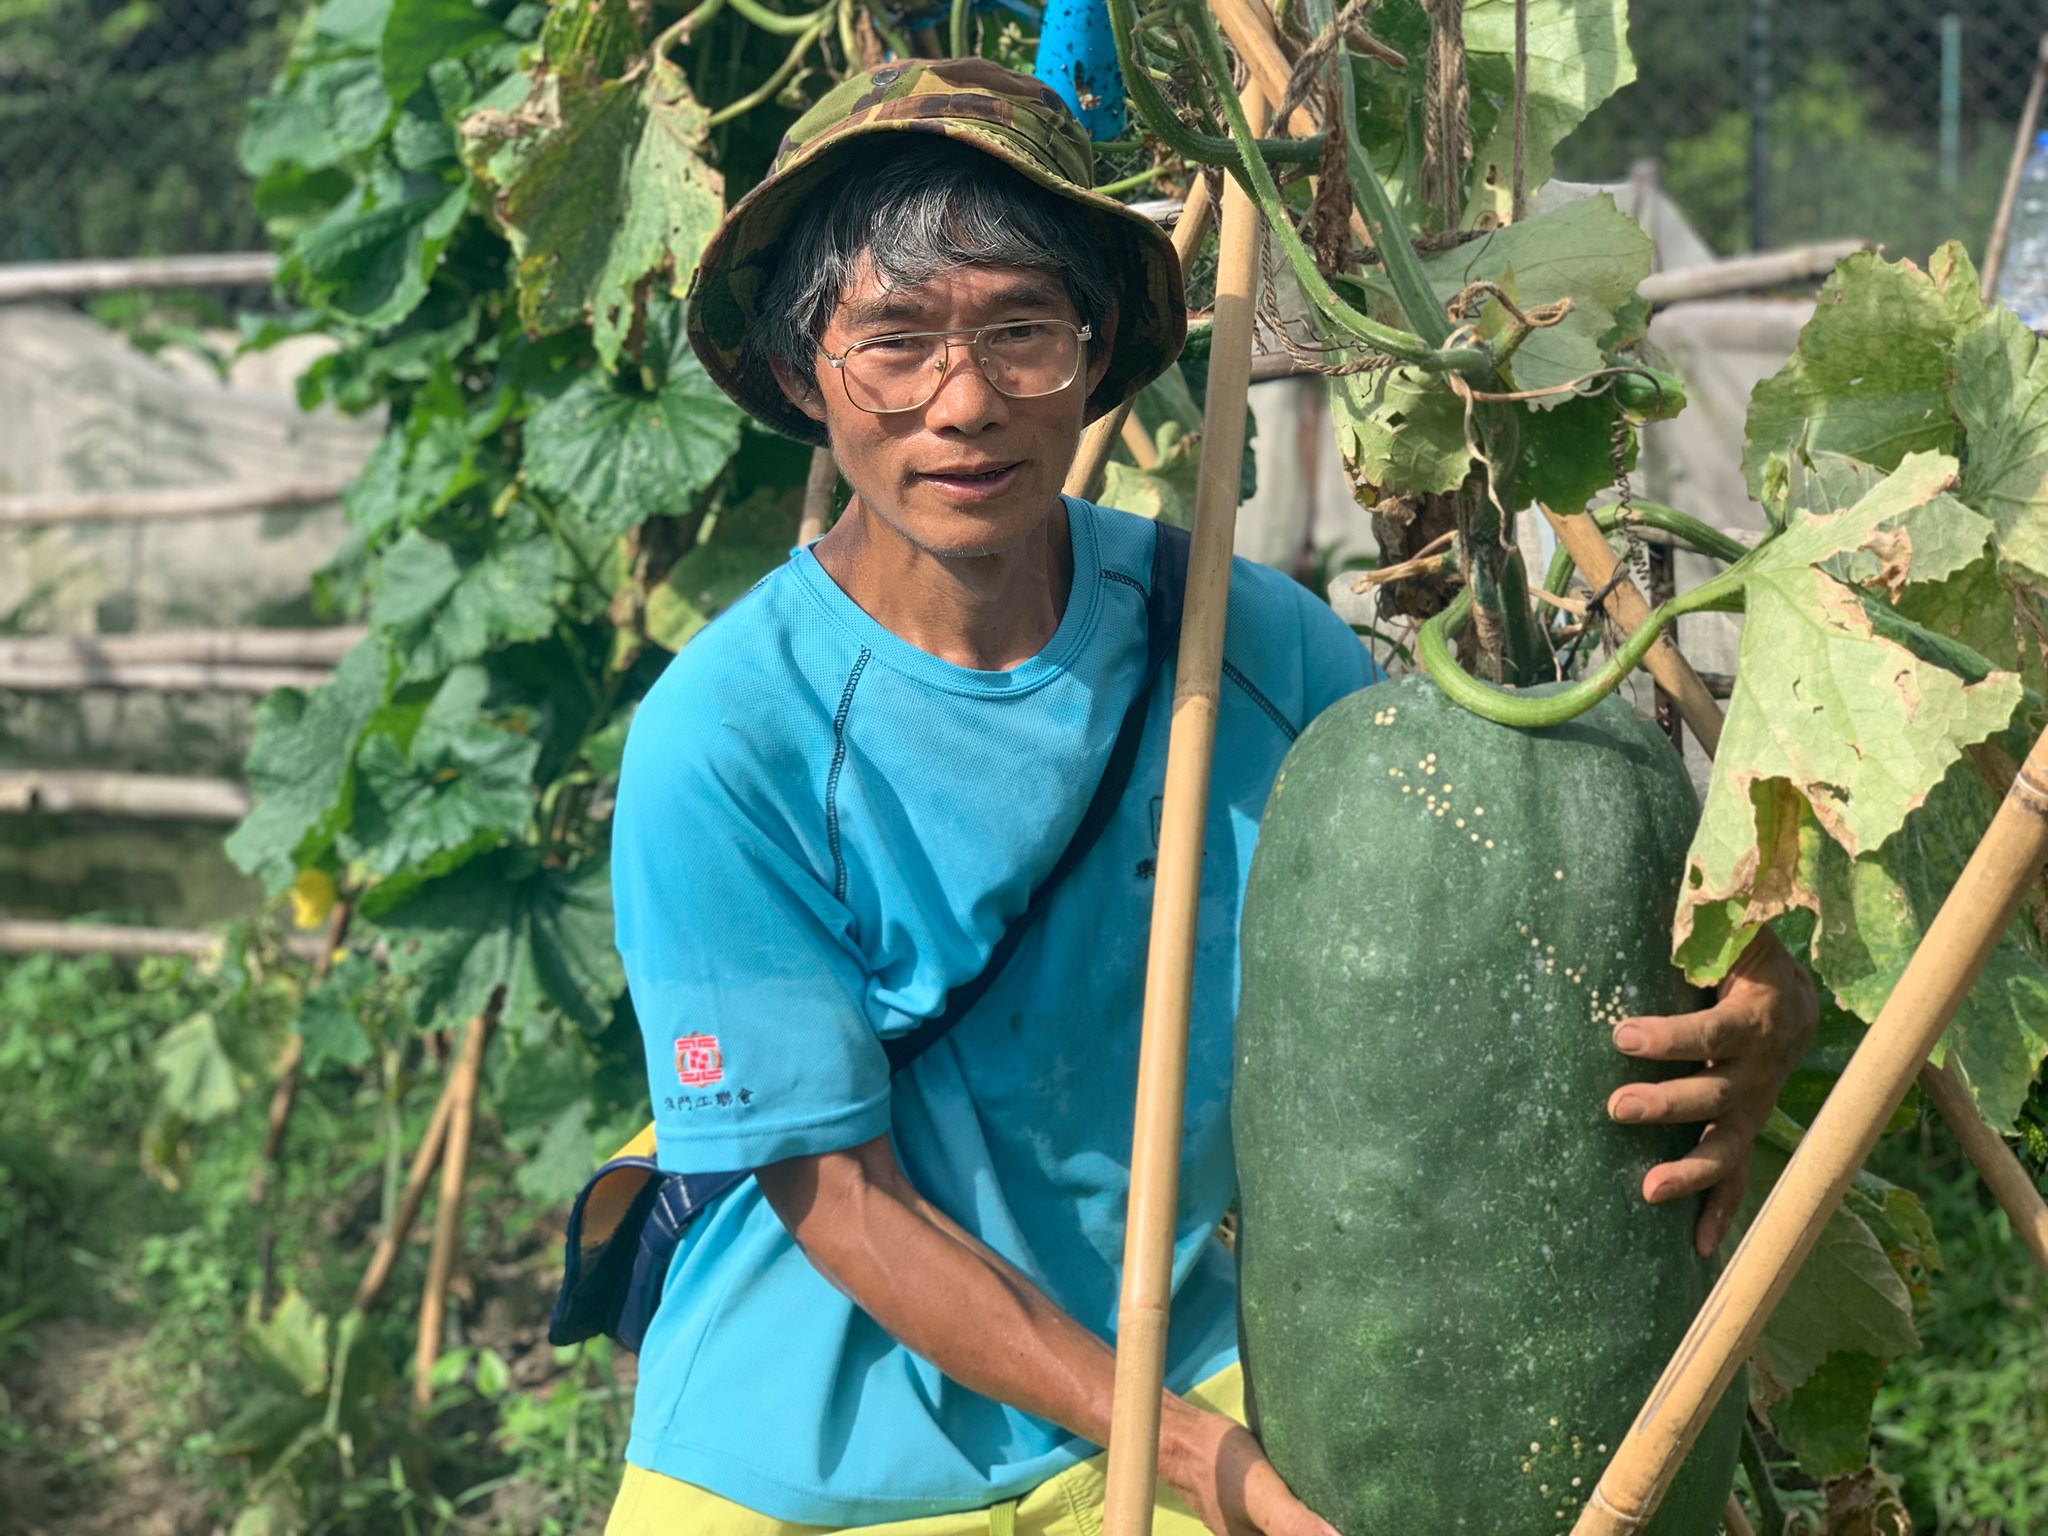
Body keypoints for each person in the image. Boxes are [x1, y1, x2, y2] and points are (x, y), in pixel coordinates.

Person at [605, 57, 1816, 1536]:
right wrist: (1187, 1459)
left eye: (1021, 332)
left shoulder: (1247, 645)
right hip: (819, 1445)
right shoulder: (726, 739)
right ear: (805, 376)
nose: (966, 402)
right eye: (895, 344)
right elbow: (836, 1200)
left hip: (1199, 1371)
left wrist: (1763, 991)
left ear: (1099, 346)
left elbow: (1520, 902)